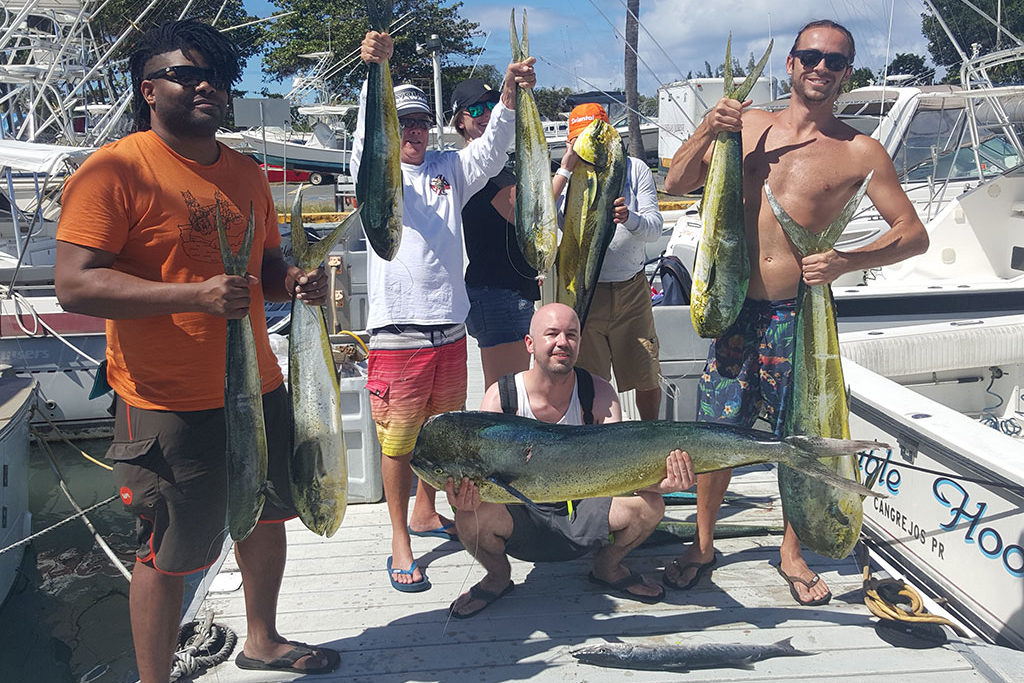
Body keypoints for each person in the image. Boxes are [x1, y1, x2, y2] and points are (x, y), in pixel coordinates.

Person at [53, 20, 338, 681]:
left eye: (215, 74)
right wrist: (191, 296)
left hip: (258, 386)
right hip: (166, 402)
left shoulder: (244, 172)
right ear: (149, 88)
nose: (206, 83)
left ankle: (263, 639)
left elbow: (265, 265)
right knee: (168, 551)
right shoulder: (116, 168)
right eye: (187, 73)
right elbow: (74, 283)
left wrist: (292, 281)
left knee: (267, 517)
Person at [662, 20, 928, 604]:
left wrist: (847, 259)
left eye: (835, 61)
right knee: (717, 432)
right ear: (790, 63)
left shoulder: (860, 151)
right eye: (811, 56)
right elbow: (675, 182)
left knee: (799, 436)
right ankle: (703, 543)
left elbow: (913, 234)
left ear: (847, 73)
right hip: (730, 308)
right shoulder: (747, 126)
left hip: (796, 315)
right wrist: (709, 128)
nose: (821, 68)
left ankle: (792, 550)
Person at [353, 30, 536, 592]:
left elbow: (494, 147)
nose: (411, 131)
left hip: (450, 330)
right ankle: (400, 540)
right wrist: (373, 72)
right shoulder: (371, 166)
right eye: (402, 122)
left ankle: (426, 513)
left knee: (440, 436)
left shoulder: (448, 169)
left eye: (419, 122)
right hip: (397, 333)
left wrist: (508, 94)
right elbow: (366, 134)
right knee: (398, 442)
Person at [444, 303, 696, 618]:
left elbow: (621, 472)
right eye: (552, 334)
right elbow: (480, 474)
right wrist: (464, 500)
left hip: (582, 512)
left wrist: (660, 483)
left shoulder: (599, 394)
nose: (563, 342)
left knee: (650, 506)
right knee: (469, 516)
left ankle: (607, 567)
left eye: (571, 335)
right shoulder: (502, 397)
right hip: (522, 519)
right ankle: (498, 577)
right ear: (530, 344)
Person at [552, 103, 665, 420]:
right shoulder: (569, 174)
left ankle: (648, 436)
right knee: (590, 378)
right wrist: (565, 168)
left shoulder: (635, 169)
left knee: (646, 373)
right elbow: (544, 219)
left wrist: (629, 219)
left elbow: (655, 228)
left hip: (632, 292)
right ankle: (594, 441)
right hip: (586, 293)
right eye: (580, 140)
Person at [452, 77, 540, 389]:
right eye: (475, 108)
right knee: (505, 394)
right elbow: (525, 216)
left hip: (509, 290)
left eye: (491, 104)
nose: (486, 113)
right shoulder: (474, 171)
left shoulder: (495, 168)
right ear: (459, 123)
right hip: (496, 294)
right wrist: (567, 168)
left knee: (511, 391)